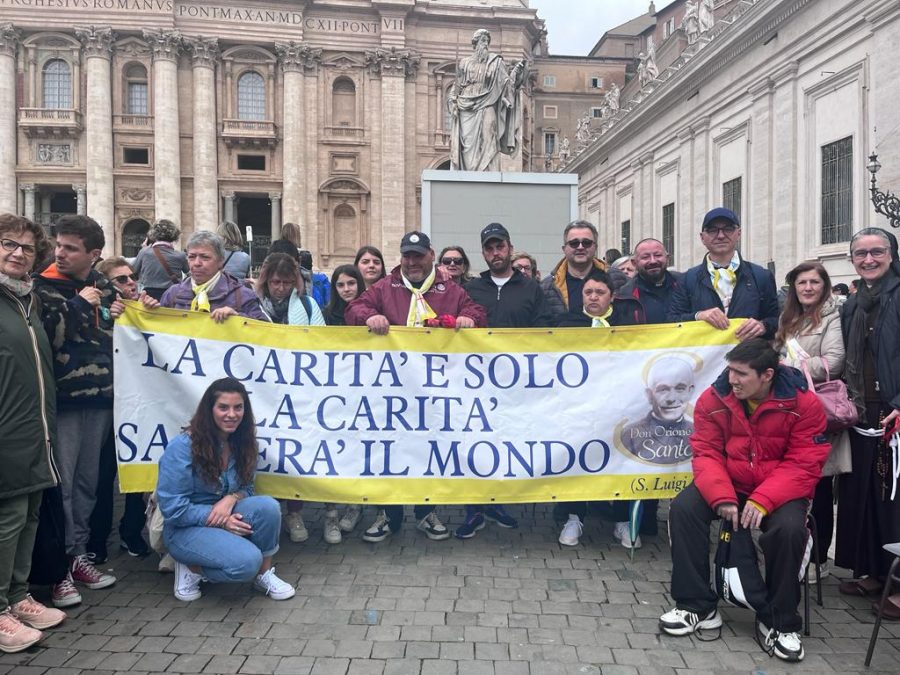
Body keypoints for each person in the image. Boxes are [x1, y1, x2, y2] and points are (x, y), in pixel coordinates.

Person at [660, 339, 829, 663]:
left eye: (741, 373)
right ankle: (695, 605)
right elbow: (706, 452)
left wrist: (764, 499)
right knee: (683, 510)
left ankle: (779, 621)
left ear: (767, 374)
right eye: (730, 370)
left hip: (780, 489)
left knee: (789, 530)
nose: (732, 379)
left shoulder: (803, 403)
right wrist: (722, 496)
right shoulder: (715, 397)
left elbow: (806, 462)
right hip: (730, 482)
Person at [345, 230, 487, 541]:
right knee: (390, 448)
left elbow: (476, 311)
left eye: (418, 255)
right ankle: (388, 514)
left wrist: (469, 320)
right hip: (392, 390)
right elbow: (354, 308)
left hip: (434, 390)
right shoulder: (386, 286)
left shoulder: (449, 289)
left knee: (430, 447)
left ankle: (426, 512)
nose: (412, 262)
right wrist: (369, 316)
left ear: (431, 255)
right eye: (407, 255)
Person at [32, 215, 122, 606]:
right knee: (64, 487)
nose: (60, 253)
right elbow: (45, 337)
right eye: (59, 245)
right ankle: (59, 569)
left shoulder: (104, 287)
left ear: (93, 254)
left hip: (101, 400)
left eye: (70, 248)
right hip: (66, 403)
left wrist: (134, 314)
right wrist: (76, 305)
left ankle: (79, 554)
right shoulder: (43, 288)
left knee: (89, 484)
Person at [157, 378, 295, 602]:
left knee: (268, 506)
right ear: (209, 410)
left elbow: (248, 488)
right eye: (223, 407)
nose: (231, 414)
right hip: (185, 528)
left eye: (238, 407)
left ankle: (264, 575)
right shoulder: (182, 447)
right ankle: (191, 568)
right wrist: (221, 519)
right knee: (247, 562)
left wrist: (231, 498)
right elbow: (173, 509)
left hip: (224, 515)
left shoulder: (244, 442)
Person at [457, 223, 550, 538]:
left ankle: (497, 502)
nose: (495, 253)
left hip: (515, 384)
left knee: (503, 442)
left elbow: (544, 329)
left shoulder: (531, 288)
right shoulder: (471, 289)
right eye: (489, 248)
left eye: (500, 247)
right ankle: (473, 509)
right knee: (474, 444)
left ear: (510, 248)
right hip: (475, 384)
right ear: (483, 253)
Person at [0, 215, 67, 653]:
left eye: (26, 247)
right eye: (8, 244)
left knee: (30, 514)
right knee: (6, 520)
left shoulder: (28, 302)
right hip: (6, 431)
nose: (18, 253)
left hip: (36, 429)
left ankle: (18, 595)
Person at [835, 228, 900, 616]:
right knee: (866, 496)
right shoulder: (853, 304)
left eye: (877, 252)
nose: (869, 259)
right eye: (861, 253)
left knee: (895, 501)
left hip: (894, 409)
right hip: (863, 410)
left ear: (892, 255)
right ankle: (875, 572)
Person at [775, 261, 846, 583]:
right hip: (790, 409)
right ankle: (793, 549)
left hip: (818, 411)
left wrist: (789, 364)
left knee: (819, 483)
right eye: (801, 282)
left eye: (813, 282)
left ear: (824, 285)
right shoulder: (788, 318)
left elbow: (835, 361)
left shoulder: (833, 317)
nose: (807, 288)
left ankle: (818, 560)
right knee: (794, 483)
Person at [556, 268, 631, 546]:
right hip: (579, 407)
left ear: (611, 296)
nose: (593, 297)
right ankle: (574, 517)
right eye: (588, 292)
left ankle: (622, 520)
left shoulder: (629, 325)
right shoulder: (566, 323)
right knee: (577, 459)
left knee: (621, 458)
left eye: (600, 292)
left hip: (619, 405)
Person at [87, 258, 150, 563]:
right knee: (104, 475)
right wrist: (110, 320)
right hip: (107, 404)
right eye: (122, 280)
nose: (131, 284)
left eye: (132, 278)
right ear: (106, 287)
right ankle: (96, 539)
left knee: (138, 471)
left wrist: (151, 312)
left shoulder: (144, 309)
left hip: (139, 406)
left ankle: (132, 532)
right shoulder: (99, 315)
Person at [668, 207, 779, 341]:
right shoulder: (687, 279)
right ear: (702, 237)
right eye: (713, 230)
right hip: (706, 358)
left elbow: (776, 320)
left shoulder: (761, 276)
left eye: (728, 229)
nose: (720, 235)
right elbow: (672, 321)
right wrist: (698, 316)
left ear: (738, 233)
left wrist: (763, 326)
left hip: (749, 358)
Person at [141, 231, 268, 322]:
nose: (197, 263)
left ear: (220, 262)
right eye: (192, 257)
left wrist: (239, 317)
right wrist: (148, 312)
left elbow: (266, 332)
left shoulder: (243, 296)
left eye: (205, 257)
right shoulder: (173, 294)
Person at [448, 28, 525, 171]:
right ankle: (470, 173)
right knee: (468, 143)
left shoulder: (496, 62)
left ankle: (490, 173)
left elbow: (506, 84)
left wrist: (516, 75)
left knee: (490, 133)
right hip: (467, 105)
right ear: (475, 43)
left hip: (488, 102)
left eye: (487, 41)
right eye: (482, 41)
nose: (485, 45)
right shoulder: (464, 63)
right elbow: (457, 86)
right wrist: (452, 101)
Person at [541, 220, 608, 326]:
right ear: (564, 249)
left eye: (586, 243)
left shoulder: (616, 279)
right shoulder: (546, 287)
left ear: (595, 247)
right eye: (574, 243)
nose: (580, 247)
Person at [254, 253, 325, 327]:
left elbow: (320, 336)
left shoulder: (308, 305)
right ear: (266, 280)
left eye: (286, 283)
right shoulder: (253, 307)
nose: (281, 288)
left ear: (294, 282)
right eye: (276, 282)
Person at [131, 219, 188, 300]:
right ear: (175, 235)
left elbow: (133, 272)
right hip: (173, 295)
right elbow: (190, 274)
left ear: (153, 234)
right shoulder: (180, 255)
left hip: (148, 296)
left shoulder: (144, 252)